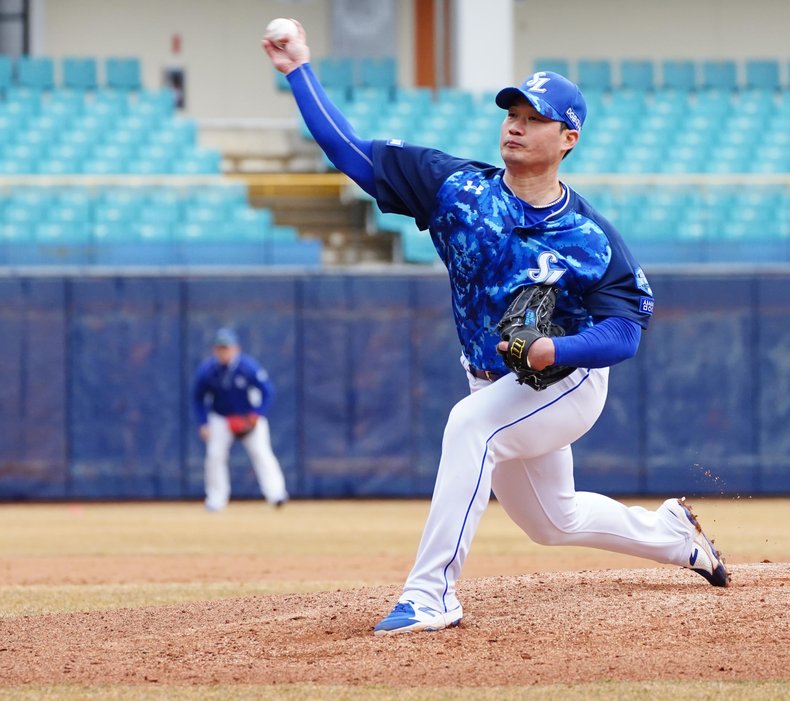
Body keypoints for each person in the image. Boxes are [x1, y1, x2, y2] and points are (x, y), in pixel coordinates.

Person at [263, 21, 729, 635]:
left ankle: (431, 595)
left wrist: (554, 348)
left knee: (469, 426)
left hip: (568, 382)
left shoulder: (588, 237)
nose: (515, 122)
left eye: (534, 116)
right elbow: (348, 150)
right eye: (511, 110)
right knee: (551, 522)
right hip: (495, 378)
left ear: (568, 137)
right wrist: (299, 69)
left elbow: (625, 332)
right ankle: (672, 535)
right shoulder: (456, 189)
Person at [191, 327, 289, 512]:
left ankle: (276, 494)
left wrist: (256, 414)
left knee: (261, 453)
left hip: (248, 417)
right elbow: (197, 397)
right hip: (221, 418)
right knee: (214, 456)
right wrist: (203, 422)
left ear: (236, 349)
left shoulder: (248, 367)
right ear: (215, 350)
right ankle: (216, 498)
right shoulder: (208, 370)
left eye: (226, 348)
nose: (223, 352)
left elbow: (268, 391)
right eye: (220, 348)